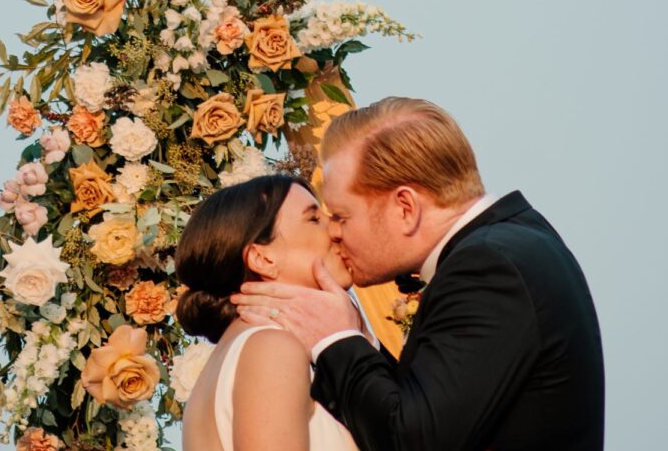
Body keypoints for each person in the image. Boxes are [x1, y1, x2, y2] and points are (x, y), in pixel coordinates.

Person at [232, 97, 605, 451]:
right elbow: (437, 408)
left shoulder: (488, 270)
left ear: (405, 207)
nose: (333, 231)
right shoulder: (512, 243)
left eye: (343, 215)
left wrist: (337, 340)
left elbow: (415, 440)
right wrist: (361, 337)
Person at [175, 175, 360, 451]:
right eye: (313, 219)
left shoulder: (239, 351)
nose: (335, 229)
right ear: (263, 258)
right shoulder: (271, 347)